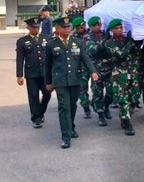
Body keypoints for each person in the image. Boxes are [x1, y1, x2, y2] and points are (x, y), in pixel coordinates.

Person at [44, 16, 98, 149]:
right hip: (60, 80)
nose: (67, 29)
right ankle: (65, 136)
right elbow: (47, 65)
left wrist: (93, 71)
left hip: (75, 78)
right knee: (63, 106)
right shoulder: (51, 44)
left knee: (72, 105)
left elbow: (85, 58)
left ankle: (71, 126)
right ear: (57, 28)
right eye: (64, 27)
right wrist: (48, 82)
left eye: (68, 27)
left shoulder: (78, 42)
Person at [105, 19, 140, 136]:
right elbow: (121, 54)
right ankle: (127, 121)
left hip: (132, 71)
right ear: (111, 30)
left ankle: (126, 115)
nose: (119, 30)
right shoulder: (109, 43)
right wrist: (130, 42)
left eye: (121, 27)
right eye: (116, 28)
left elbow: (136, 53)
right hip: (119, 73)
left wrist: (136, 42)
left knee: (134, 97)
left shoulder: (127, 40)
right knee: (122, 98)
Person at [15, 17, 52, 129]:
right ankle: (36, 118)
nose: (36, 29)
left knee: (47, 93)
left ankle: (40, 111)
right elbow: (20, 59)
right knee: (33, 96)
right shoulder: (22, 41)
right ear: (28, 28)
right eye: (33, 27)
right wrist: (19, 75)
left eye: (37, 27)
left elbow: (51, 57)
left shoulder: (47, 38)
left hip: (45, 73)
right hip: (31, 73)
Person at [83, 16, 113, 126]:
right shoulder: (87, 37)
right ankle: (100, 115)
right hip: (96, 70)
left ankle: (105, 106)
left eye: (99, 24)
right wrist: (106, 40)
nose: (98, 27)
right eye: (95, 25)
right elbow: (93, 50)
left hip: (109, 68)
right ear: (90, 27)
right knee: (97, 93)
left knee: (112, 92)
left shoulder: (106, 34)